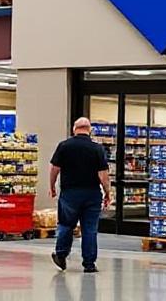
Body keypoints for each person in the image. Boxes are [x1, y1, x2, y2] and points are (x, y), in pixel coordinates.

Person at [49, 117, 111, 274]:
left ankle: (61, 255)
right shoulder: (97, 148)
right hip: (92, 194)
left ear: (74, 129)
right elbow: (103, 174)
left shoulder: (64, 146)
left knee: (66, 224)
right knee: (89, 229)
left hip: (70, 193)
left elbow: (54, 169)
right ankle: (89, 264)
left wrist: (52, 186)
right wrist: (107, 193)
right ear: (89, 130)